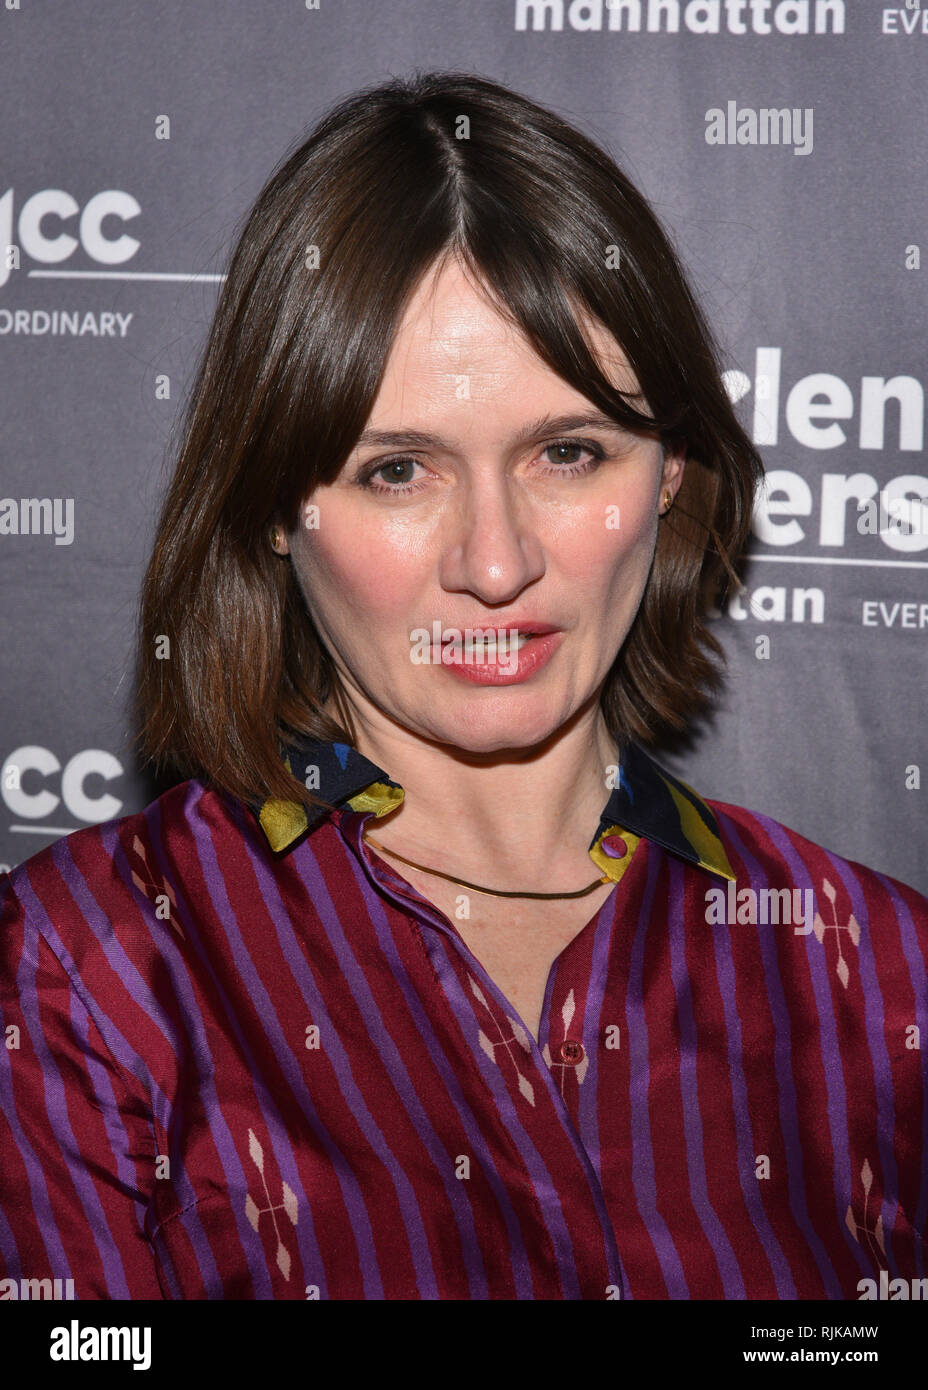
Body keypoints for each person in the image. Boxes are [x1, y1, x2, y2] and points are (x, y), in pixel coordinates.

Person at [1, 70, 925, 1302]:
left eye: (568, 451)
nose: (498, 564)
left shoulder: (871, 970)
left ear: (669, 474)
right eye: (398, 471)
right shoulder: (89, 972)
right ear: (277, 506)